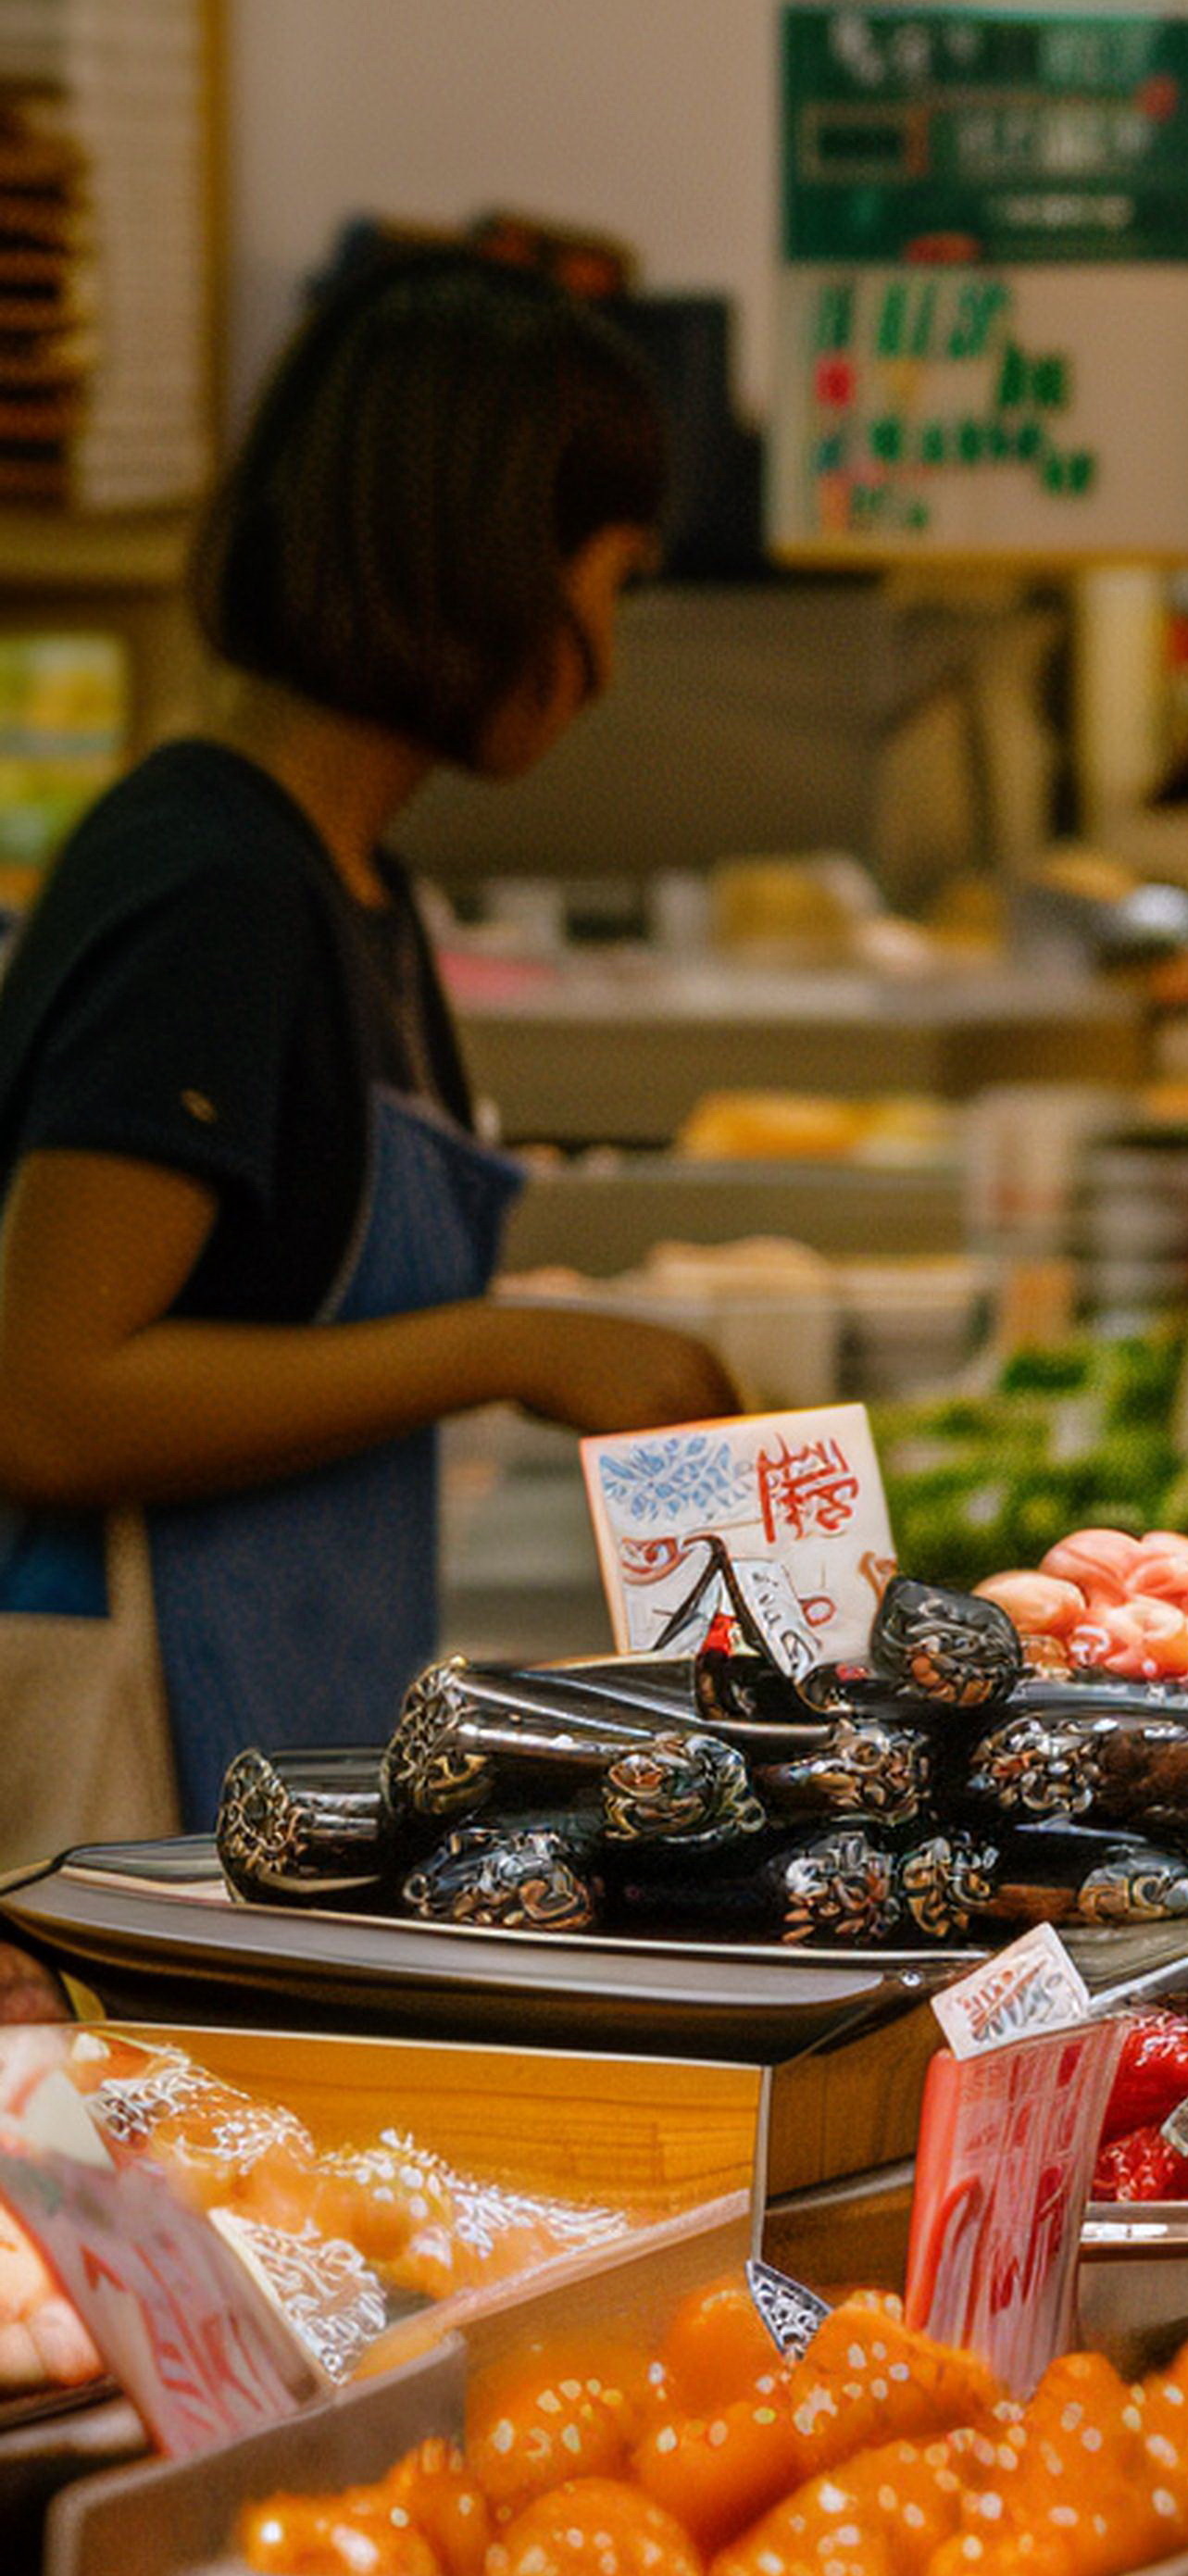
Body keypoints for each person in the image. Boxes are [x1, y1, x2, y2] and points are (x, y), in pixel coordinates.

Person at [0, 233, 757, 1857]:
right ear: (485, 563)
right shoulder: (211, 886)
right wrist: (514, 1346)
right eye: (607, 586)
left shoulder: (358, 888)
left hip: (271, 1762)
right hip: (126, 1808)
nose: (609, 665)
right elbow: (49, 1393)